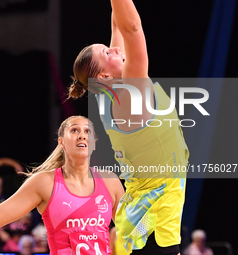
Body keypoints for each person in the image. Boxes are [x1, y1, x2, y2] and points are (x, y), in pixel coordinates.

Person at [69, 1, 189, 254]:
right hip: (151, 218)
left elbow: (119, 25)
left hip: (141, 216)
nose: (114, 48)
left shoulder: (109, 93)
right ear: (102, 76)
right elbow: (132, 29)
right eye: (106, 53)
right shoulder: (130, 94)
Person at [0, 116, 125, 254]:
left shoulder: (111, 182)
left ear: (95, 141)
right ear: (61, 141)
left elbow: (132, 232)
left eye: (87, 131)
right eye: (74, 130)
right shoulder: (44, 182)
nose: (82, 134)